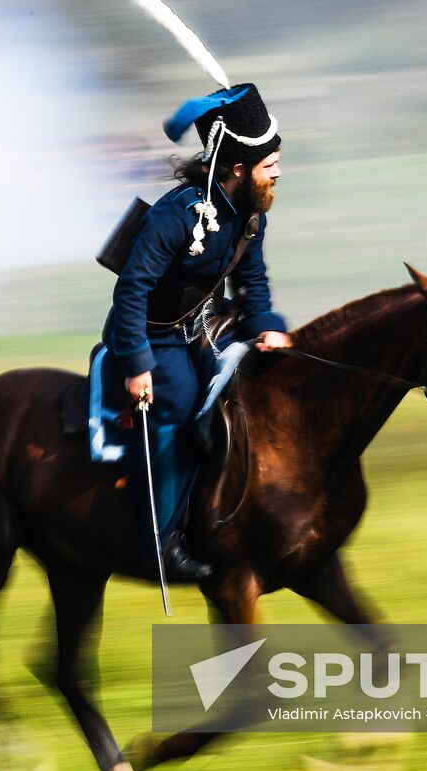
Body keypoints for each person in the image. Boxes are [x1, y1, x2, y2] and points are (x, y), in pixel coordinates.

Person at [101, 82, 293, 582]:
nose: (277, 171)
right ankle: (162, 541)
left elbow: (252, 280)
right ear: (237, 169)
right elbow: (131, 293)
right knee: (183, 406)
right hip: (151, 334)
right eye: (268, 164)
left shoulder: (251, 213)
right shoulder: (174, 216)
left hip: (206, 326)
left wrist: (266, 327)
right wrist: (137, 363)